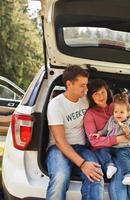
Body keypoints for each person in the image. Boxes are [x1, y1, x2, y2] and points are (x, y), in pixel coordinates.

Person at [46, 66, 104, 200]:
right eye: (82, 85)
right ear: (69, 84)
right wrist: (83, 164)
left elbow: (105, 110)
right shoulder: (56, 105)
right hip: (58, 148)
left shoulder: (85, 99)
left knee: (96, 176)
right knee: (60, 176)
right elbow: (59, 141)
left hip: (82, 147)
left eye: (86, 85)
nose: (86, 89)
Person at [84, 79, 130, 200]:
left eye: (102, 92)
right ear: (91, 96)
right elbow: (94, 141)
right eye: (96, 94)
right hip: (103, 150)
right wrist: (117, 139)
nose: (100, 96)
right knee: (118, 172)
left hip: (123, 148)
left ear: (107, 91)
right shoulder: (90, 114)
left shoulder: (115, 106)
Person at [90, 93, 130, 185]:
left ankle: (128, 175)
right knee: (102, 151)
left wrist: (128, 132)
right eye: (116, 112)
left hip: (124, 148)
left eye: (122, 112)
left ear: (128, 113)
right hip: (112, 146)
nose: (118, 114)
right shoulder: (111, 119)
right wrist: (98, 134)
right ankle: (110, 166)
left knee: (123, 157)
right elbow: (105, 130)